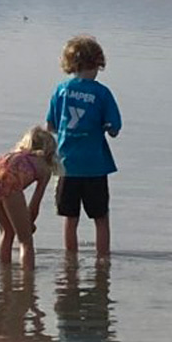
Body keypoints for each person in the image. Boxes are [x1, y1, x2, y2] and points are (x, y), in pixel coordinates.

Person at [45, 35, 121, 257]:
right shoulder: (102, 93)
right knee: (101, 218)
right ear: (98, 62)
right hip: (95, 165)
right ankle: (103, 261)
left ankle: (70, 263)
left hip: (67, 164)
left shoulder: (61, 90)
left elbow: (50, 125)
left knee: (70, 218)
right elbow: (114, 128)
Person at [0, 125, 62, 267]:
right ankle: (27, 281)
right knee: (25, 241)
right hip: (9, 181)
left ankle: (4, 274)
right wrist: (28, 225)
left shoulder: (15, 155)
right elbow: (35, 205)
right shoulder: (43, 167)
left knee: (7, 231)